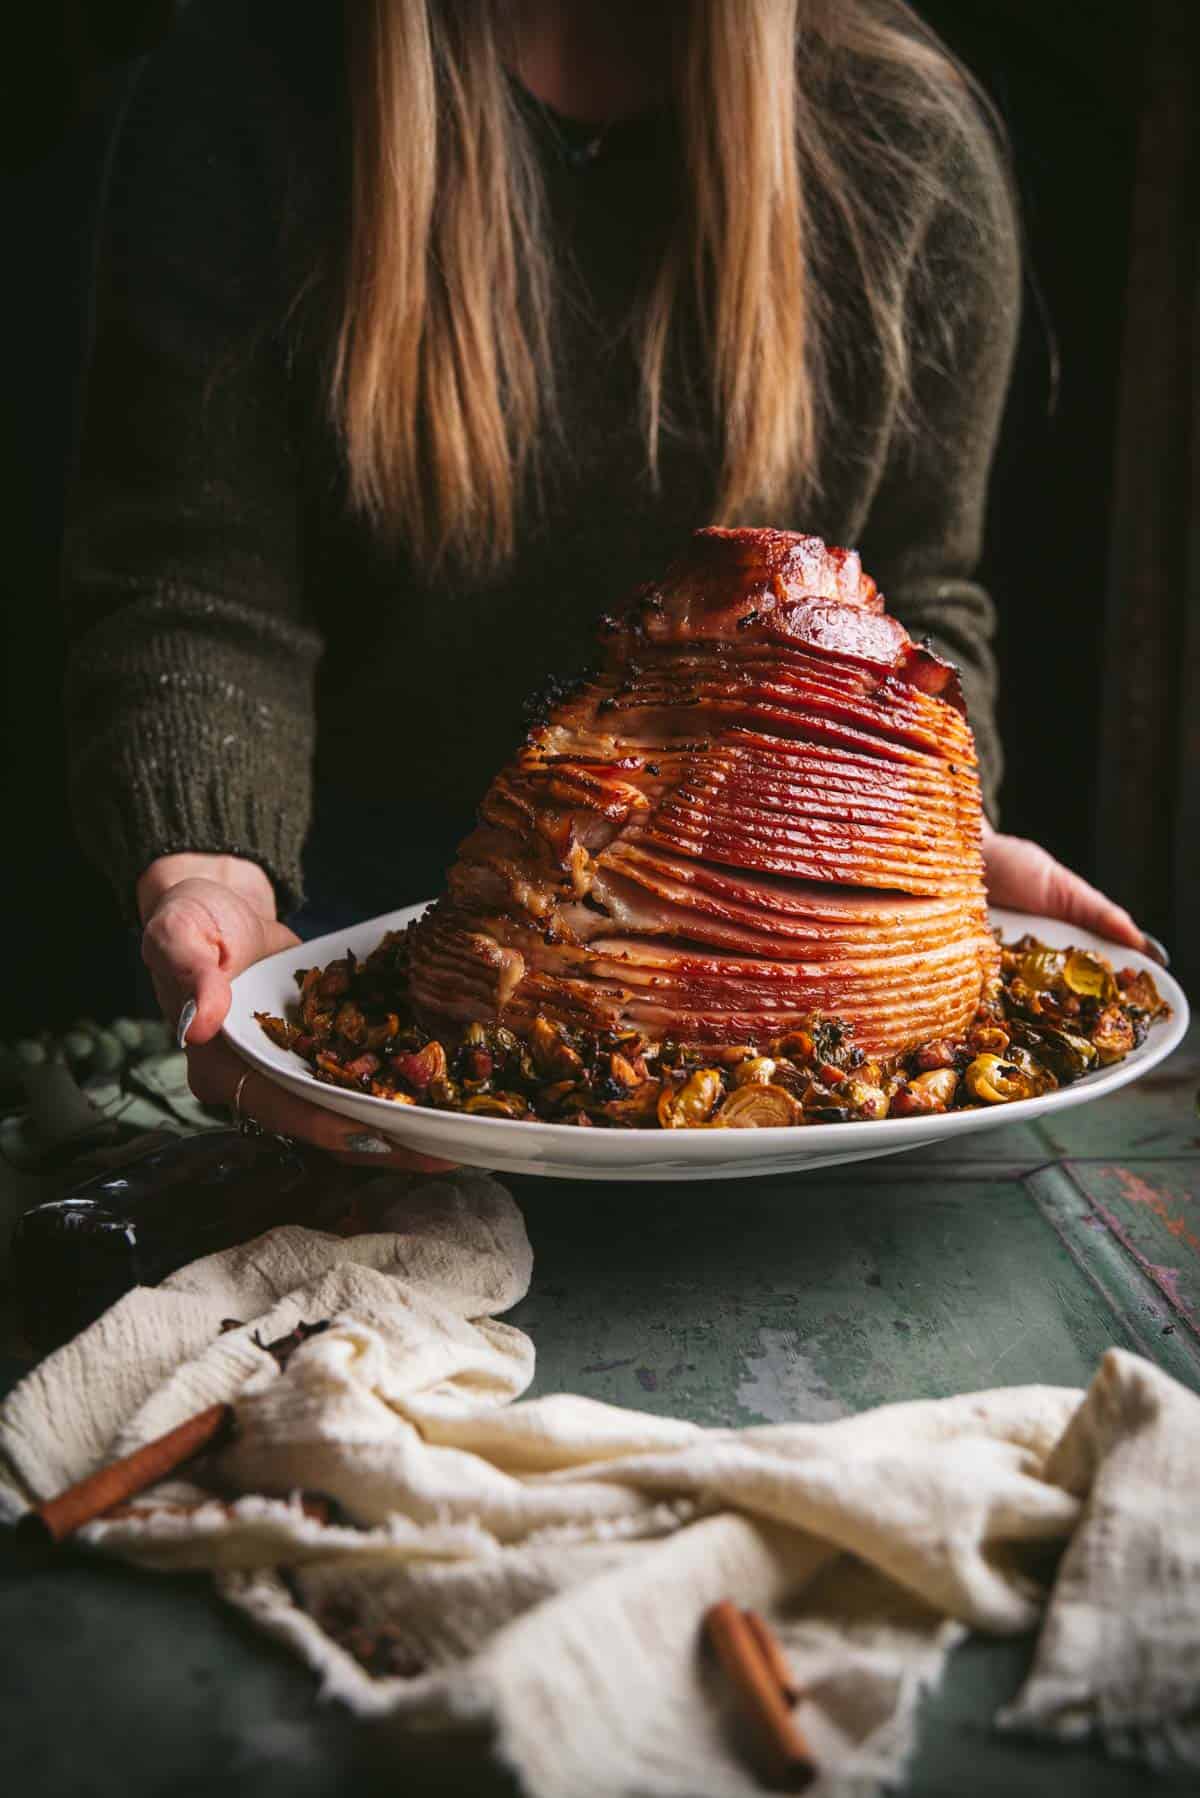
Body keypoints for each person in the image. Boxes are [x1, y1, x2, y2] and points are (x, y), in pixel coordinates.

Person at [62, 0, 1149, 1162]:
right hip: (325, 931)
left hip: (822, 994)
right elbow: (199, 590)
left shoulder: (907, 143)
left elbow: (923, 599)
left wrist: (902, 868)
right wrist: (212, 869)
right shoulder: (239, 98)